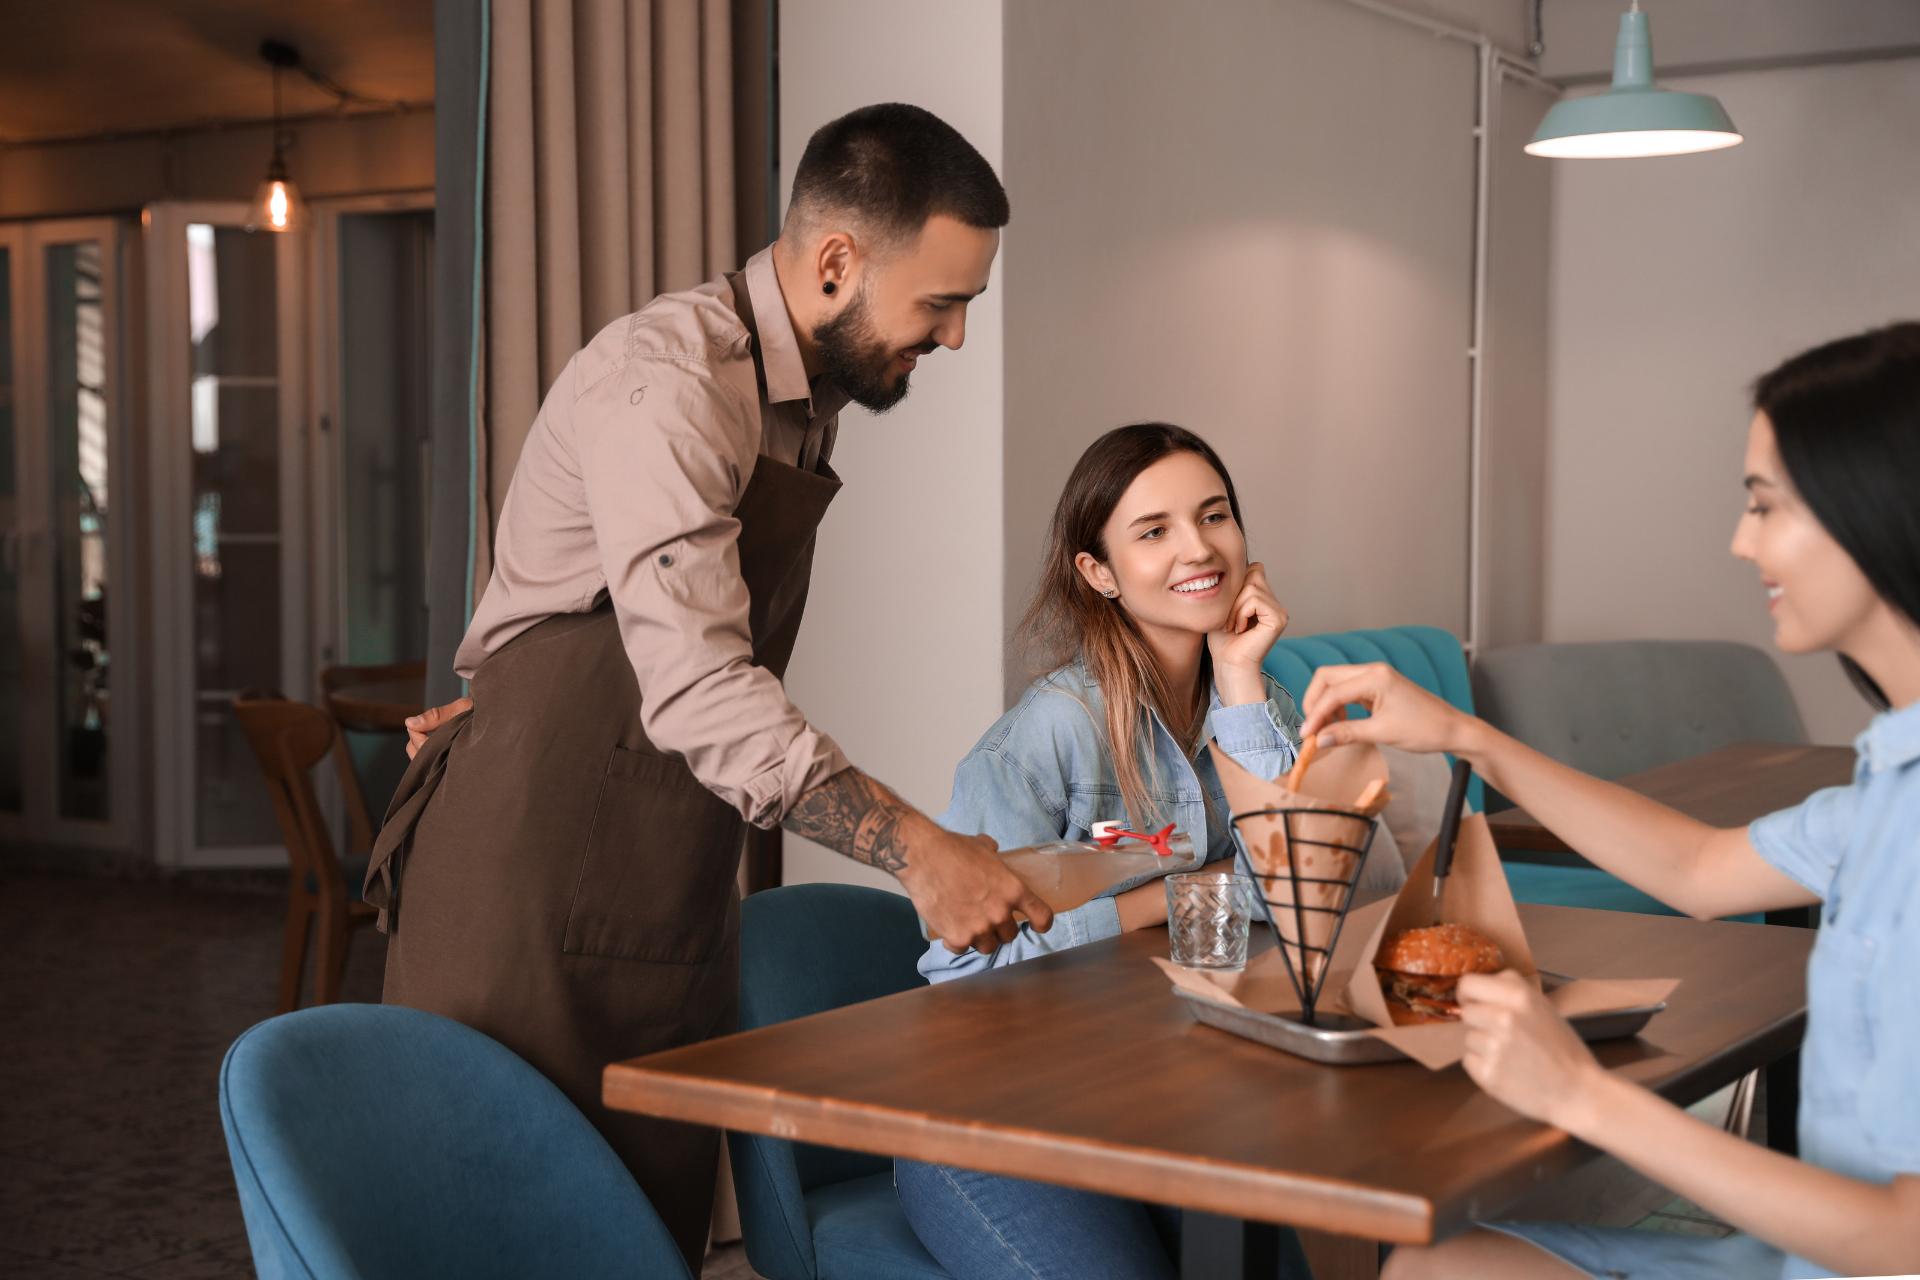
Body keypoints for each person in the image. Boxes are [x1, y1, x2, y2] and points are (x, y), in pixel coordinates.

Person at [369, 103, 1054, 1269]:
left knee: (642, 1244)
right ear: (837, 262)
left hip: (661, 878)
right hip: (526, 882)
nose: (951, 341)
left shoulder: (797, 408)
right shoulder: (671, 378)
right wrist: (916, 849)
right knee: (491, 1239)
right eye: (941, 304)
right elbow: (692, 682)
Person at [1295, 322, 1920, 1280]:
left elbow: (1903, 1239)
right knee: (1439, 1270)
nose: (1739, 539)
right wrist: (1466, 736)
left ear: (1874, 507)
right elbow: (1699, 868)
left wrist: (1586, 1096)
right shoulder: (1887, 784)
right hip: (1794, 1260)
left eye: (1766, 506)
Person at [896, 423, 1322, 1280]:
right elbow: (969, 968)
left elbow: (1314, 898)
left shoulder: (1262, 700)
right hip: (991, 1117)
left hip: (1171, 1094)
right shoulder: (1053, 731)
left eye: (1215, 516)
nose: (1199, 548)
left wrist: (1238, 683)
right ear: (1098, 573)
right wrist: (1182, 896)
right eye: (1154, 530)